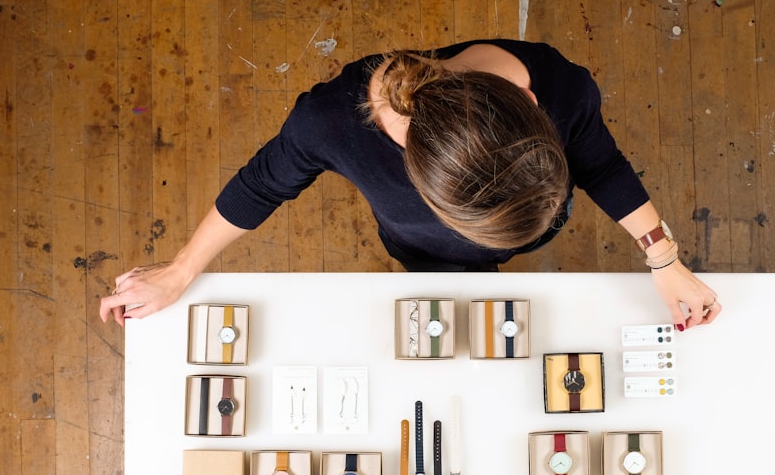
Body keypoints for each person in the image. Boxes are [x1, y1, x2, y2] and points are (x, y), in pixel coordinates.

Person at [99, 39, 721, 328]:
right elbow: (262, 184)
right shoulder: (329, 122)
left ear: (531, 102)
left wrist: (663, 257)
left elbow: (603, 166)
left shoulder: (563, 86)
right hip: (417, 251)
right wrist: (180, 270)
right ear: (417, 174)